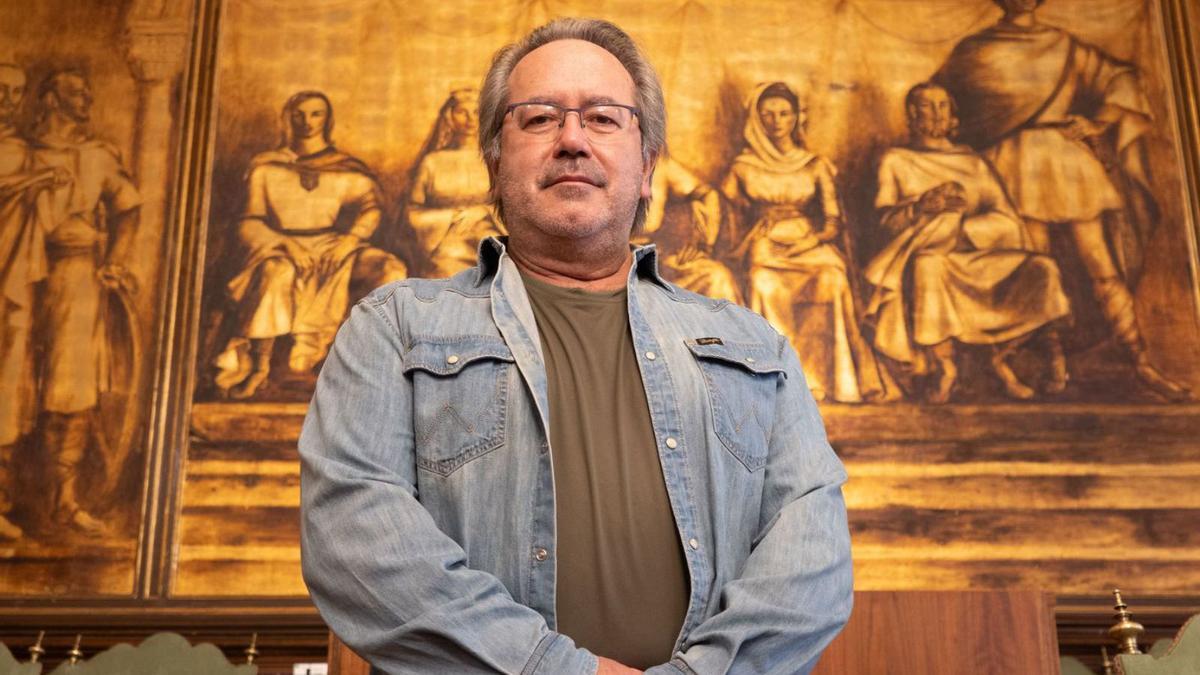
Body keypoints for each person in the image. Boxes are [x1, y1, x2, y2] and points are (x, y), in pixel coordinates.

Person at [301, 18, 852, 675]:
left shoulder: (756, 345)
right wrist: (555, 669)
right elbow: (357, 539)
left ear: (648, 167)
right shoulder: (393, 328)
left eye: (602, 117)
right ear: (495, 165)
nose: (570, 139)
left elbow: (811, 559)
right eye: (538, 118)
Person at [934, 0, 1191, 401]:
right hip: (1011, 163)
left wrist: (1098, 123)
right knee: (1038, 268)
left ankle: (1140, 362)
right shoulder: (973, 51)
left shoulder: (1064, 44)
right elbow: (941, 102)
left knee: (1102, 267)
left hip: (1065, 162)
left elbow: (1121, 79)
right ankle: (1055, 365)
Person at [863, 82, 1072, 402]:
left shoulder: (973, 163)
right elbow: (883, 224)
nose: (935, 113)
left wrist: (961, 230)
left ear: (952, 114)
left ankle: (1036, 362)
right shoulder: (896, 160)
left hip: (978, 254)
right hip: (929, 256)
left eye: (942, 106)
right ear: (912, 114)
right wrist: (922, 207)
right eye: (927, 106)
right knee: (928, 267)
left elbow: (1006, 218)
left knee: (1041, 268)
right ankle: (946, 368)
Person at [214, 91, 406, 399]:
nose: (307, 122)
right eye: (299, 114)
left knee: (390, 268)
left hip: (333, 244)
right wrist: (285, 245)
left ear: (327, 120)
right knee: (276, 273)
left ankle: (361, 362)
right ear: (288, 118)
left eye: (316, 114)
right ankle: (258, 367)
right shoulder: (266, 168)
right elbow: (248, 222)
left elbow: (372, 208)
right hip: (280, 247)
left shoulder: (343, 166)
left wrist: (351, 239)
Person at [721, 82, 889, 403]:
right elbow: (725, 213)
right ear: (757, 119)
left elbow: (833, 221)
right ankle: (782, 379)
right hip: (766, 242)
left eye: (784, 113)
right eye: (768, 114)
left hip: (810, 242)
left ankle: (831, 377)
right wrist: (739, 232)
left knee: (831, 279)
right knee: (764, 283)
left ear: (797, 117)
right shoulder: (743, 166)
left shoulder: (814, 163)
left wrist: (811, 240)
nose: (776, 121)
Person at [32, 69, 141, 534]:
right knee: (16, 386)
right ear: (51, 99)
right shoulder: (21, 152)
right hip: (20, 277)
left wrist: (114, 260)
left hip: (77, 279)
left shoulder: (97, 156)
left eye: (87, 91)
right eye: (75, 92)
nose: (86, 99)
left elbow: (128, 208)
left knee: (72, 388)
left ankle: (65, 496)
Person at [0, 63, 64, 539]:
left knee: (11, 381)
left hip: (12, 281)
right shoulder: (27, 163)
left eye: (15, 92)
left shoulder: (23, 152)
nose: (7, 99)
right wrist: (32, 181)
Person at [405, 87, 504, 277]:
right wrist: (453, 217)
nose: (469, 119)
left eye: (476, 112)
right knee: (447, 266)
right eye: (461, 112)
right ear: (450, 117)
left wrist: (483, 212)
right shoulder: (432, 162)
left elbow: (513, 203)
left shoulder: (498, 160)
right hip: (443, 239)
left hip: (491, 233)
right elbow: (413, 211)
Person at [639, 154, 743, 305]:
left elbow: (708, 195)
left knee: (717, 278)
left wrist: (701, 244)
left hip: (657, 259)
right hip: (611, 267)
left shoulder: (662, 165)